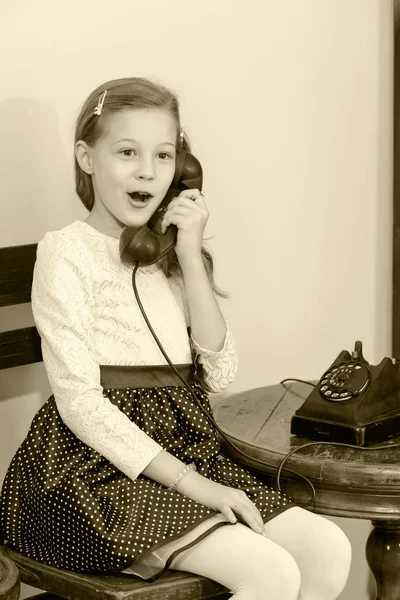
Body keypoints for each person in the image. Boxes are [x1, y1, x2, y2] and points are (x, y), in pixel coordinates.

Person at [0, 77, 351, 600]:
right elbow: (80, 403)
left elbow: (220, 372)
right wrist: (197, 485)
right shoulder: (66, 252)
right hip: (94, 470)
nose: (148, 170)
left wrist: (188, 255)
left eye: (164, 156)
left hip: (186, 449)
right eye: (126, 152)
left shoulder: (167, 255)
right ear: (87, 158)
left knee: (328, 547)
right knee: (271, 573)